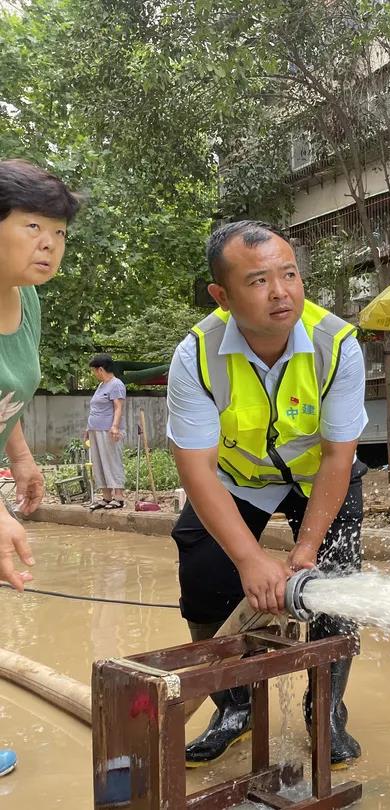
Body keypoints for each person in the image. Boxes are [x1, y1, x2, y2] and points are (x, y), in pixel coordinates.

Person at [166, 221, 367, 769]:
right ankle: (234, 708)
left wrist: (304, 552)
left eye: (289, 274)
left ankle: (325, 708)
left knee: (335, 581)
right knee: (205, 574)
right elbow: (198, 469)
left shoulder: (337, 344)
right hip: (235, 479)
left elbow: (336, 456)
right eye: (258, 281)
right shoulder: (196, 355)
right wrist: (250, 559)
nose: (281, 292)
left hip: (315, 477)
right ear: (222, 296)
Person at [0, 159, 81, 778]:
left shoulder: (25, 302)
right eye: (32, 227)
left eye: (58, 232)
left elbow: (9, 395)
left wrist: (20, 455)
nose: (49, 245)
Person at [84, 353, 126, 509]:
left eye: (94, 371)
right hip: (95, 429)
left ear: (100, 369)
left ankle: (119, 497)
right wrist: (88, 429)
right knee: (99, 463)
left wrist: (114, 426)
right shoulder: (101, 386)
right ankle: (106, 497)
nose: (94, 374)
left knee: (112, 461)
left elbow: (118, 407)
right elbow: (95, 409)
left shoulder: (116, 384)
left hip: (108, 430)